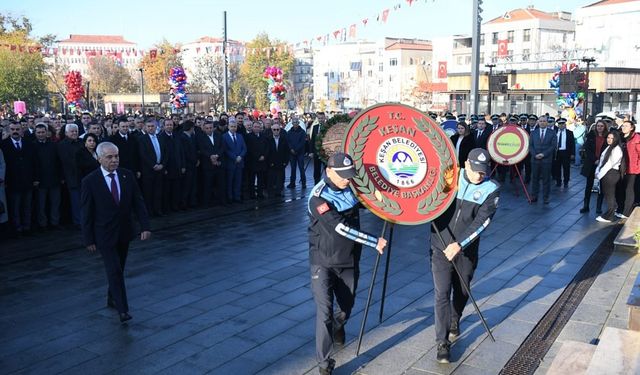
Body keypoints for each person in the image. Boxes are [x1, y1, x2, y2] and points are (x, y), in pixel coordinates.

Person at [308, 152, 387, 375]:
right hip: (322, 260)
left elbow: (359, 203)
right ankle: (324, 364)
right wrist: (375, 241)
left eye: (349, 175)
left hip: (349, 259)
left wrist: (377, 198)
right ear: (328, 171)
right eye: (342, 175)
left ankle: (339, 325)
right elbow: (341, 227)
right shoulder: (318, 198)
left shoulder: (349, 188)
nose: (346, 179)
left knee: (346, 306)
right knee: (324, 312)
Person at [430, 148, 500, 363]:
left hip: (466, 249)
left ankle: (456, 317)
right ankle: (442, 342)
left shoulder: (491, 189)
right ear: (466, 165)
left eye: (483, 171)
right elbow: (428, 198)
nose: (479, 175)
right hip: (440, 244)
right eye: (475, 170)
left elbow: (482, 223)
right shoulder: (450, 176)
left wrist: (460, 244)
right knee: (442, 292)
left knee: (462, 289)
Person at [81, 142, 151, 323]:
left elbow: (138, 202)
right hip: (104, 234)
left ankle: (112, 296)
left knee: (119, 267)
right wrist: (88, 239)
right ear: (99, 158)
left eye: (116, 156)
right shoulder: (90, 181)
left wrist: (145, 226)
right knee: (114, 270)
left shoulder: (127, 175)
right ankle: (122, 309)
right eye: (109, 157)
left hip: (125, 232)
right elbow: (86, 213)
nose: (114, 160)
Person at [1, 121, 37, 235]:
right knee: (15, 207)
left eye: (17, 129)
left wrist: (35, 178)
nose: (15, 131)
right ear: (9, 131)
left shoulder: (28, 143)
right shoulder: (3, 144)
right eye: (13, 129)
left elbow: (34, 162)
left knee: (27, 206)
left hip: (27, 180)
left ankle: (27, 227)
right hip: (13, 182)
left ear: (22, 130)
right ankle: (17, 228)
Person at [33, 123, 62, 229]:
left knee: (55, 203)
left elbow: (59, 162)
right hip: (40, 180)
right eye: (39, 132)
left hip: (54, 178)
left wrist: (60, 177)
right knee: (41, 205)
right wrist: (35, 179)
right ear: (35, 133)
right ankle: (42, 224)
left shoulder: (54, 145)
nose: (41, 134)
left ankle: (55, 222)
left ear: (47, 133)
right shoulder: (32, 146)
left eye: (43, 132)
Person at [137, 120, 168, 216]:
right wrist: (153, 165)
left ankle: (157, 210)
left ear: (156, 127)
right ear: (145, 127)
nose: (151, 128)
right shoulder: (141, 139)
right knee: (148, 192)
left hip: (160, 169)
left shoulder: (160, 138)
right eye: (149, 126)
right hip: (148, 170)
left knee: (158, 191)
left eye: (152, 126)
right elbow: (143, 154)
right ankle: (149, 212)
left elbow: (166, 153)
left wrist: (162, 164)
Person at [57, 124, 83, 228]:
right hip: (71, 176)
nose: (74, 133)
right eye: (72, 131)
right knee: (75, 200)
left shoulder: (81, 142)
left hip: (83, 175)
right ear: (66, 133)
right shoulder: (62, 145)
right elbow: (65, 161)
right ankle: (78, 221)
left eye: (76, 131)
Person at [595, 130, 624, 223]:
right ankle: (610, 213)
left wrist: (599, 175)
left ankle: (609, 216)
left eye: (612, 138)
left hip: (611, 174)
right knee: (608, 195)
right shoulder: (609, 148)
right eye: (608, 138)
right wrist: (597, 171)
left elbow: (609, 164)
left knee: (609, 195)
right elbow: (601, 161)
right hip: (606, 173)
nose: (610, 140)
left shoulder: (617, 149)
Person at [580, 120, 607, 213]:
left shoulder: (608, 137)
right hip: (591, 163)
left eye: (601, 126)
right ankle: (586, 206)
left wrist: (601, 161)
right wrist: (595, 159)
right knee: (589, 185)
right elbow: (587, 149)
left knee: (601, 186)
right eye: (598, 126)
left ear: (605, 127)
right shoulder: (591, 136)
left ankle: (598, 207)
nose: (599, 128)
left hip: (602, 164)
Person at [197, 121, 225, 206]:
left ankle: (222, 201)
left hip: (218, 164)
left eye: (210, 128)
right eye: (207, 128)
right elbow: (202, 150)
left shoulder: (218, 135)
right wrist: (211, 156)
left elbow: (222, 147)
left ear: (213, 128)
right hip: (207, 165)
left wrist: (217, 155)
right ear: (204, 129)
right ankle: (206, 203)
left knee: (221, 184)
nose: (209, 130)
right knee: (207, 185)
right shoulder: (200, 137)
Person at [529, 116, 556, 204]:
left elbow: (553, 146)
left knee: (546, 179)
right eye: (540, 121)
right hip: (535, 159)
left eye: (544, 121)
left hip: (546, 160)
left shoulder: (552, 133)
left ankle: (545, 197)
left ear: (547, 122)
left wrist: (543, 154)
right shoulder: (533, 133)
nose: (542, 122)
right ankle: (534, 196)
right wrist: (535, 154)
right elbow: (530, 146)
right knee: (534, 178)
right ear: (538, 122)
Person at [616, 120, 639, 218]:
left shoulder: (636, 138)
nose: (623, 128)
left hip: (632, 168)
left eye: (626, 126)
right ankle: (620, 208)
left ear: (632, 128)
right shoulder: (620, 138)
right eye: (622, 126)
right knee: (620, 189)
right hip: (621, 168)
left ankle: (627, 212)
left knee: (629, 190)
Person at [222, 121, 247, 203]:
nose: (233, 128)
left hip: (240, 162)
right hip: (230, 163)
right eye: (232, 126)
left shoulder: (240, 136)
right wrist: (234, 157)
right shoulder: (224, 137)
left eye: (235, 126)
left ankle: (237, 196)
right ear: (228, 127)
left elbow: (244, 148)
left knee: (238, 181)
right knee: (229, 181)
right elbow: (225, 150)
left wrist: (240, 156)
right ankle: (230, 197)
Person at [245, 121, 269, 199]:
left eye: (258, 127)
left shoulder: (263, 136)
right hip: (253, 161)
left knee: (261, 179)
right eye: (255, 127)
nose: (256, 128)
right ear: (252, 127)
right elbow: (249, 149)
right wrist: (257, 156)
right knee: (251, 179)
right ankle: (252, 194)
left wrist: (264, 156)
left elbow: (267, 147)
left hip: (262, 161)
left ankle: (260, 193)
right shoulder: (248, 136)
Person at [267, 123, 289, 197]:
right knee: (271, 178)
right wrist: (269, 162)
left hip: (281, 162)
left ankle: (278, 192)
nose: (276, 131)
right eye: (274, 129)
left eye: (277, 129)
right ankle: (271, 192)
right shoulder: (268, 139)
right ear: (272, 130)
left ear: (280, 130)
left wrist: (285, 162)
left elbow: (287, 151)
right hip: (271, 162)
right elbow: (267, 152)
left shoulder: (284, 139)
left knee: (280, 178)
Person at [552, 118, 575, 188]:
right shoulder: (555, 132)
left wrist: (572, 153)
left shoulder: (569, 133)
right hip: (557, 152)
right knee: (557, 167)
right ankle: (558, 181)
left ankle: (566, 181)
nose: (561, 125)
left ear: (565, 124)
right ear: (558, 125)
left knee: (566, 168)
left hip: (566, 152)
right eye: (560, 124)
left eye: (563, 124)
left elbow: (572, 144)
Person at [287, 117, 307, 189]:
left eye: (296, 122)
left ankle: (303, 183)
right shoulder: (289, 132)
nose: (295, 123)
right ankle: (292, 183)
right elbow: (288, 142)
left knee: (301, 168)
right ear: (292, 123)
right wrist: (291, 149)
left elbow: (302, 142)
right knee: (293, 169)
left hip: (300, 153)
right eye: (294, 122)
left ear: (298, 123)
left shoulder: (302, 132)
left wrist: (296, 149)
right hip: (292, 153)